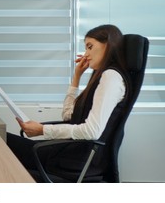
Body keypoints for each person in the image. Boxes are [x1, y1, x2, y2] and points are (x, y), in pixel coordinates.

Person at [7, 24, 130, 172]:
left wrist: (43, 130)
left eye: (90, 47)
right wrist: (76, 77)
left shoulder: (110, 77)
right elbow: (67, 116)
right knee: (0, 138)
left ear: (108, 44)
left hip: (74, 161)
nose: (85, 54)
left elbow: (92, 132)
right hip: (68, 153)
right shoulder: (100, 78)